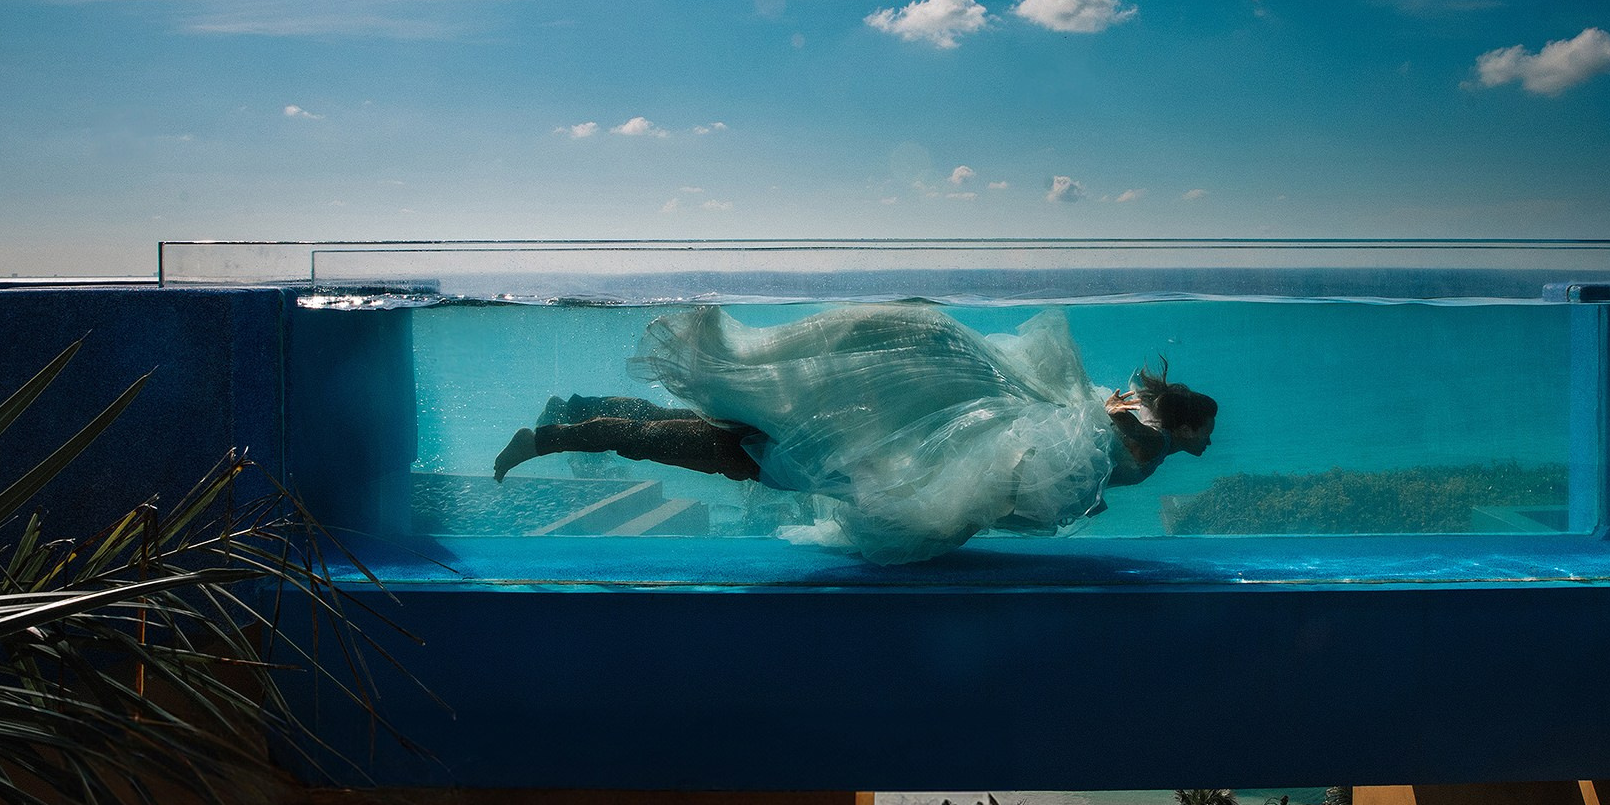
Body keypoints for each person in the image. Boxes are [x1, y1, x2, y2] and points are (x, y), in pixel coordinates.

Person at [493, 302, 1215, 563]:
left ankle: (568, 417)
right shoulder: (1126, 442)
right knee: (686, 442)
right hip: (815, 454)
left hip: (823, 445)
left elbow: (1046, 460)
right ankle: (555, 437)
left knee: (691, 433)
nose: (1208, 449)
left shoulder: (1112, 409)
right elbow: (1048, 472)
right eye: (1202, 435)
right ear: (1179, 424)